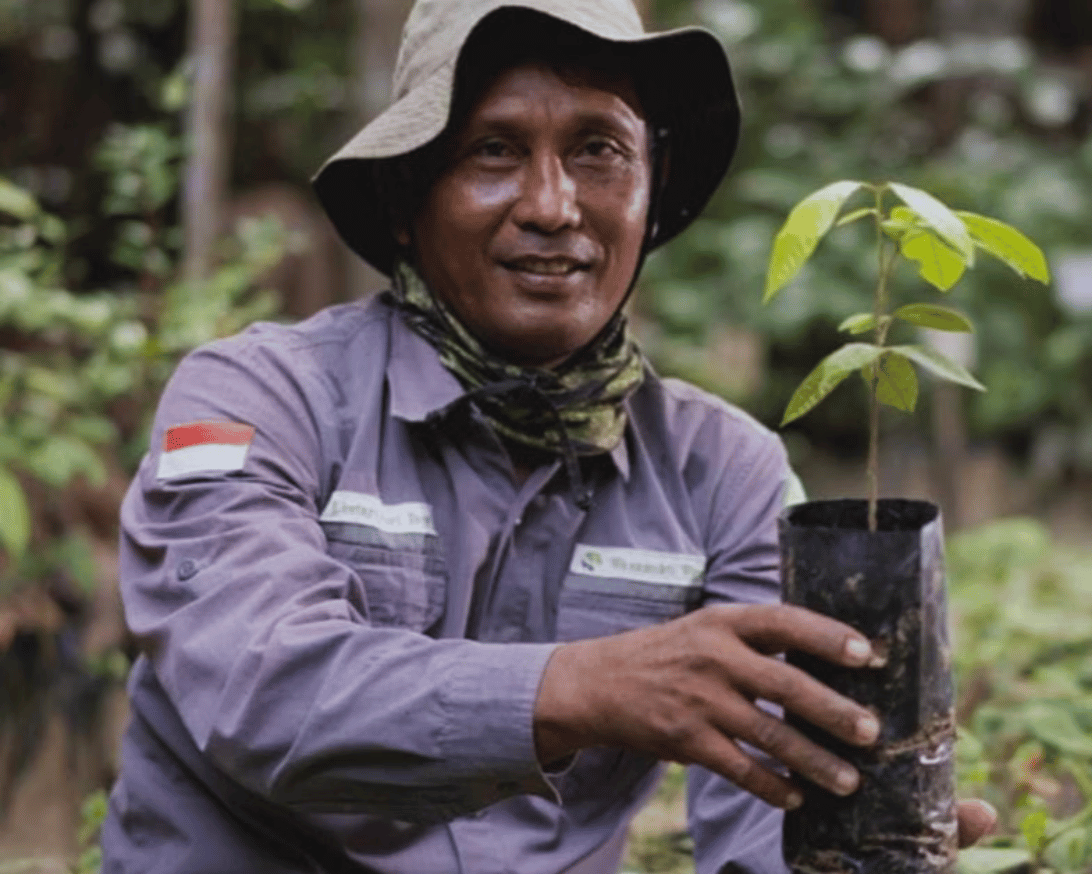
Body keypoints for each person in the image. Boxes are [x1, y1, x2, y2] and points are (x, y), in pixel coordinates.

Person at [101, 1, 996, 871]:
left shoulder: (725, 473)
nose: (552, 204)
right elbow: (265, 693)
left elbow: (765, 811)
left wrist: (856, 846)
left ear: (652, 193)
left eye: (598, 151)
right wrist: (586, 686)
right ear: (408, 196)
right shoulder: (263, 398)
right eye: (494, 150)